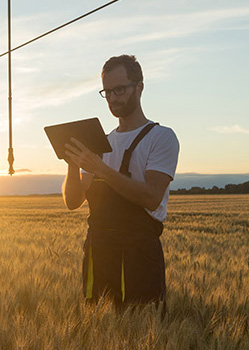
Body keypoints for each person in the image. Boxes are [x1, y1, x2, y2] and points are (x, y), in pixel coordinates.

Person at [62, 54, 180, 309]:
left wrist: (101, 169)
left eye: (120, 90)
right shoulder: (99, 142)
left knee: (142, 330)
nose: (113, 98)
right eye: (107, 92)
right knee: (97, 331)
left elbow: (151, 196)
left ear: (139, 87)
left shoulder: (161, 137)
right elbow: (73, 201)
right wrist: (72, 163)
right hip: (98, 253)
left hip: (138, 254)